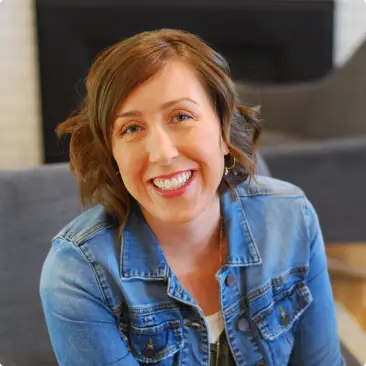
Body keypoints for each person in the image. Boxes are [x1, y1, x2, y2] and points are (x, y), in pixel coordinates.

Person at [39, 29, 345, 366]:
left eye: (181, 116)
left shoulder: (291, 216)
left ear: (224, 128)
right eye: (131, 128)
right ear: (112, 155)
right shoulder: (78, 272)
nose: (162, 153)